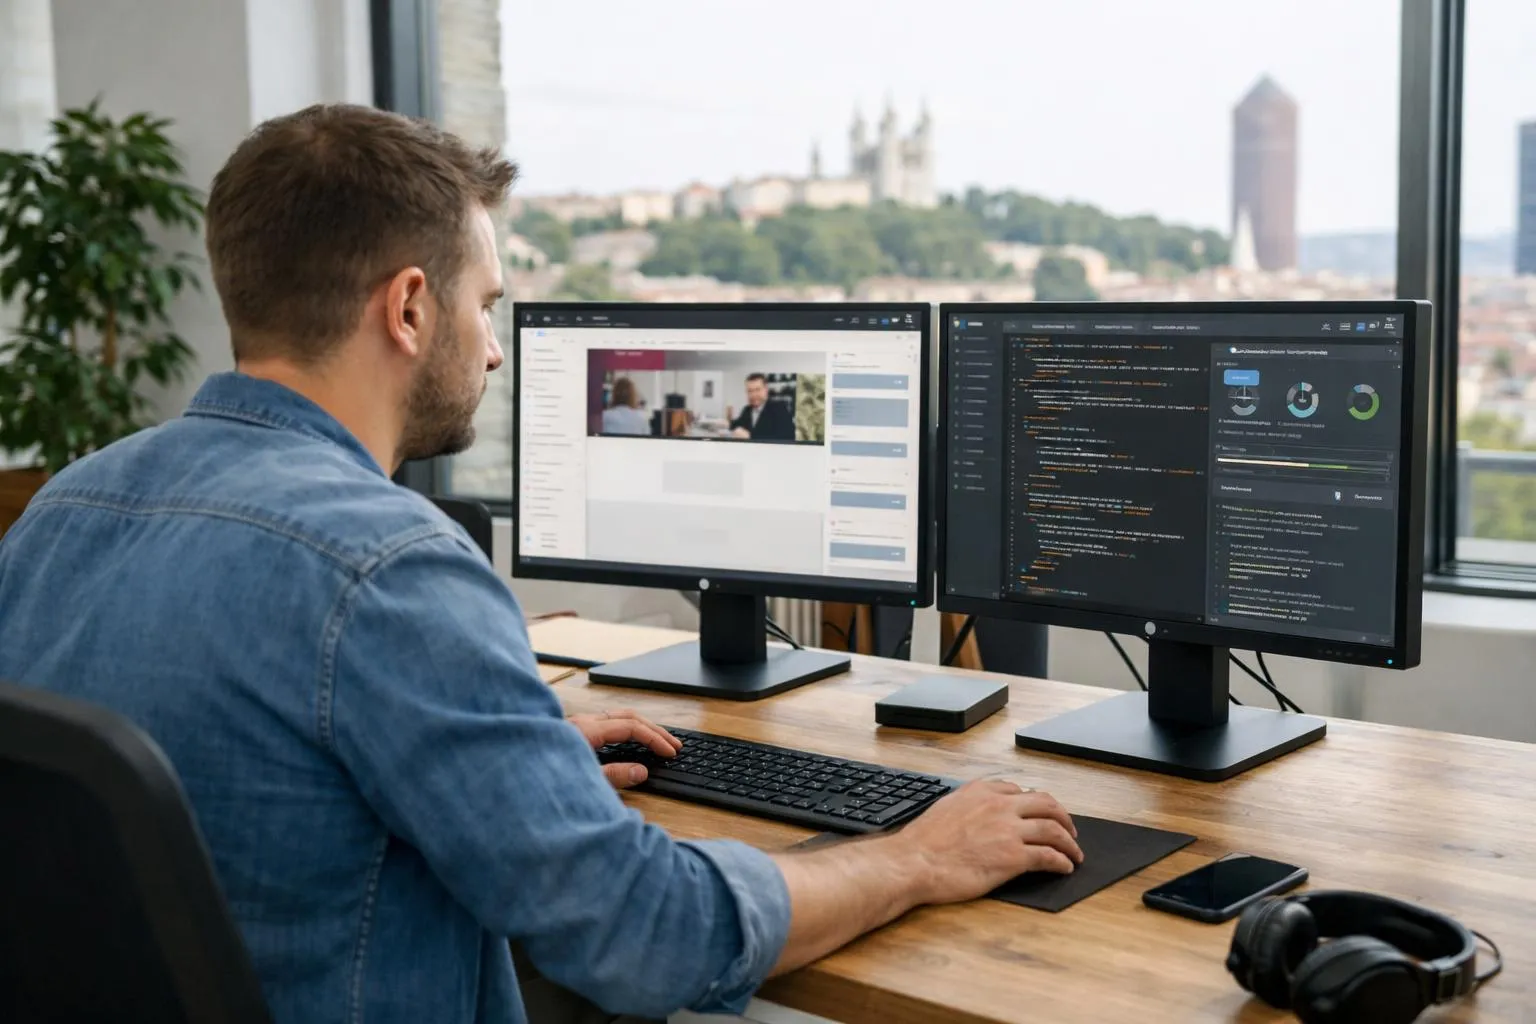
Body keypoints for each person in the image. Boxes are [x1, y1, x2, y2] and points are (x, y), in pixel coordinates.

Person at [0, 104, 1083, 1024]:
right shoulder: (391, 569)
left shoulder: (62, 507)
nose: (494, 345)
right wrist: (918, 856)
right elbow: (648, 935)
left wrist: (504, 735)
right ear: (411, 308)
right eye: (487, 304)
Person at [728, 372, 795, 441]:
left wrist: (750, 437)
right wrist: (727, 424)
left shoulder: (780, 408)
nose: (753, 395)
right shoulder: (747, 409)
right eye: (750, 391)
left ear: (766, 390)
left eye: (757, 390)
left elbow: (787, 437)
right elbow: (737, 424)